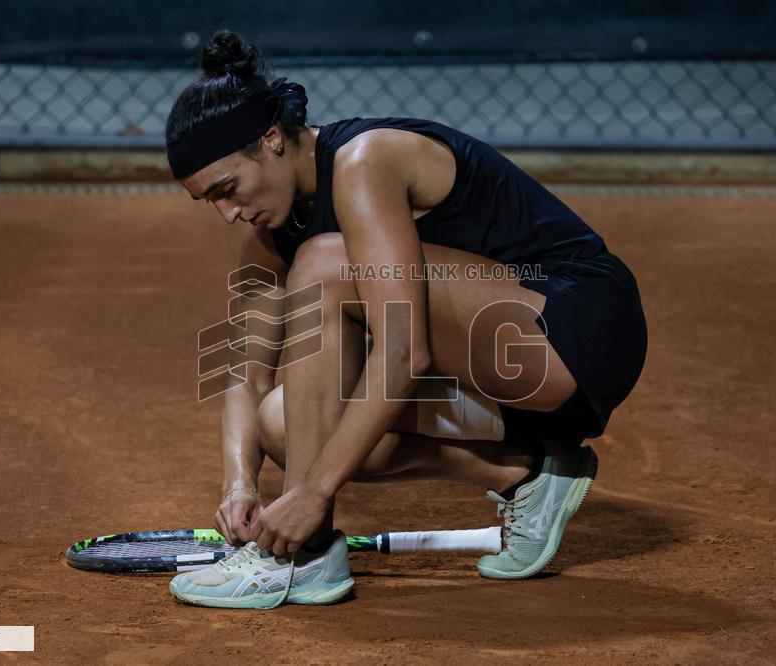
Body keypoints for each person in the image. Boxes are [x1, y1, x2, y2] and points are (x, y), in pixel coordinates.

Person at [167, 31, 647, 609]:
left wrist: (314, 495)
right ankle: (527, 472)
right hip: (495, 372)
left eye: (227, 189)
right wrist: (240, 482)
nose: (228, 214)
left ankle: (301, 558)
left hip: (573, 330)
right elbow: (246, 373)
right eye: (210, 202)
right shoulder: (267, 238)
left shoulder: (365, 161)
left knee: (323, 262)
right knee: (285, 423)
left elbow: (404, 351)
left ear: (270, 140)